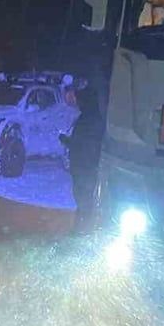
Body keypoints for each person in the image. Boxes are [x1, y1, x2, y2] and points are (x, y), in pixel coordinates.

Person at [63, 82, 104, 231]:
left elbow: (86, 145)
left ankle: (84, 229)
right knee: (82, 198)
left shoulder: (90, 120)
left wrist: (68, 142)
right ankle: (81, 226)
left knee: (84, 198)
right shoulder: (89, 118)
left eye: (80, 100)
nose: (77, 103)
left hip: (85, 167)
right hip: (83, 166)